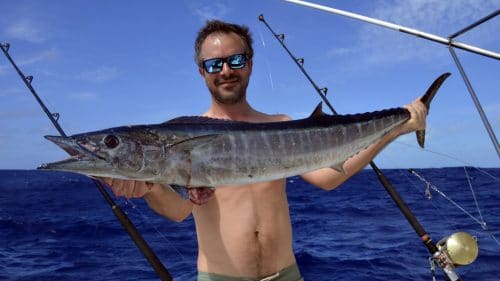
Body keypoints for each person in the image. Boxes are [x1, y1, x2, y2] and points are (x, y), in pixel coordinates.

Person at [102, 20, 428, 281]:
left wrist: (397, 127)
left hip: (286, 274)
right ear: (202, 71)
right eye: (214, 64)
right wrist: (148, 189)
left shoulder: (281, 124)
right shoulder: (179, 134)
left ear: (250, 65)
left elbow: (327, 177)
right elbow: (178, 211)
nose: (226, 70)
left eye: (236, 60)